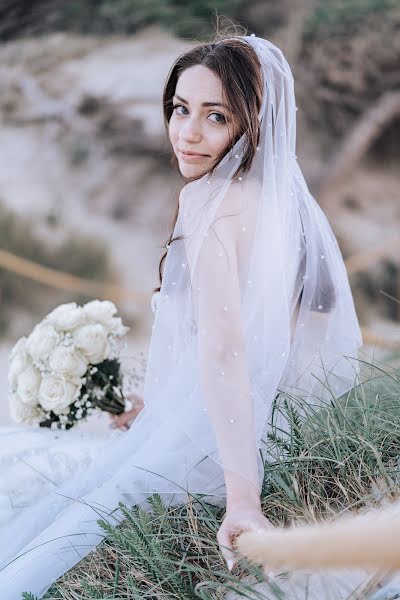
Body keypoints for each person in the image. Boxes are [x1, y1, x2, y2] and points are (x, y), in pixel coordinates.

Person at [0, 32, 363, 598]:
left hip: (220, 445)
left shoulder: (210, 204)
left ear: (249, 122)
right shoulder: (275, 197)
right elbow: (300, 328)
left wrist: (243, 498)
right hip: (267, 423)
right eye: (180, 109)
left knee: (30, 478)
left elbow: (225, 349)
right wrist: (163, 406)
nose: (188, 133)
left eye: (215, 117)